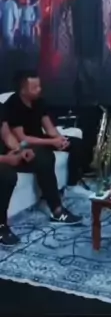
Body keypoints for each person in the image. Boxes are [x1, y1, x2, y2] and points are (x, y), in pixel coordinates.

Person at [3, 70, 83, 230]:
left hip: (29, 143)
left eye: (39, 86)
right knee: (44, 157)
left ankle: (72, 185)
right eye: (34, 88)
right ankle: (57, 211)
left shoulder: (39, 102)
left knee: (76, 144)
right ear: (23, 90)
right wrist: (49, 142)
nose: (39, 90)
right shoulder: (13, 105)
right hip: (27, 143)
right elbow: (22, 138)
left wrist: (59, 139)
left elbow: (9, 136)